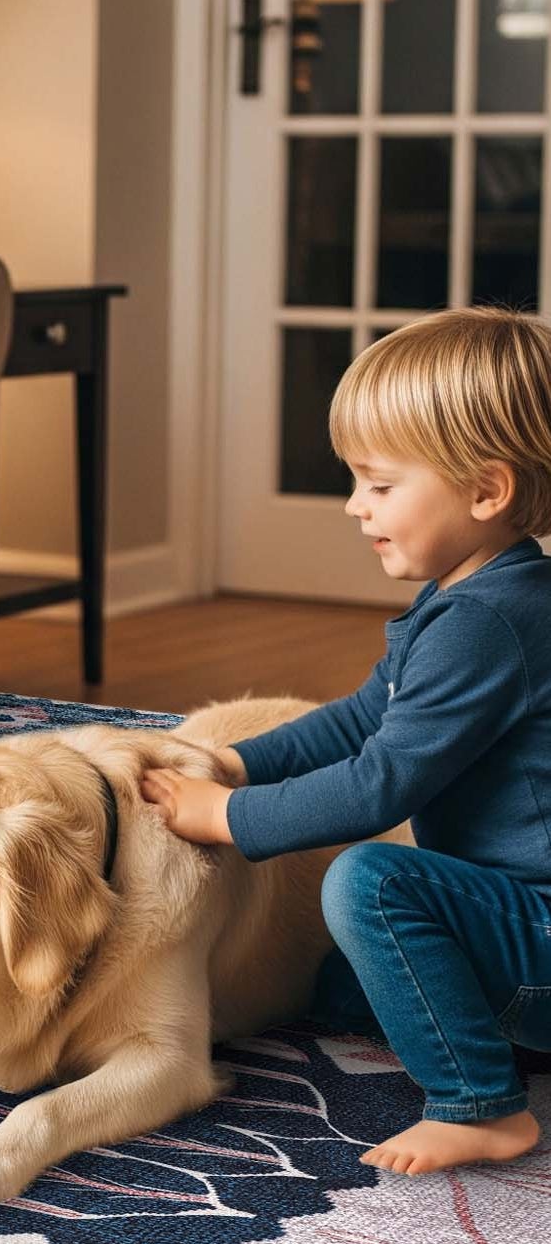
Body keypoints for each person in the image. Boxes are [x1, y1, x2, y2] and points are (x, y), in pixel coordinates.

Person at [141, 308, 551, 1176]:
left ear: (487, 491)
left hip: (538, 935)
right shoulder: (470, 602)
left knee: (368, 879)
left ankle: (481, 1103)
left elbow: (377, 786)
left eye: (379, 485)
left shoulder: (485, 623)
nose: (354, 506)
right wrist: (236, 760)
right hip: (515, 925)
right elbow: (363, 715)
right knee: (335, 984)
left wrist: (226, 814)